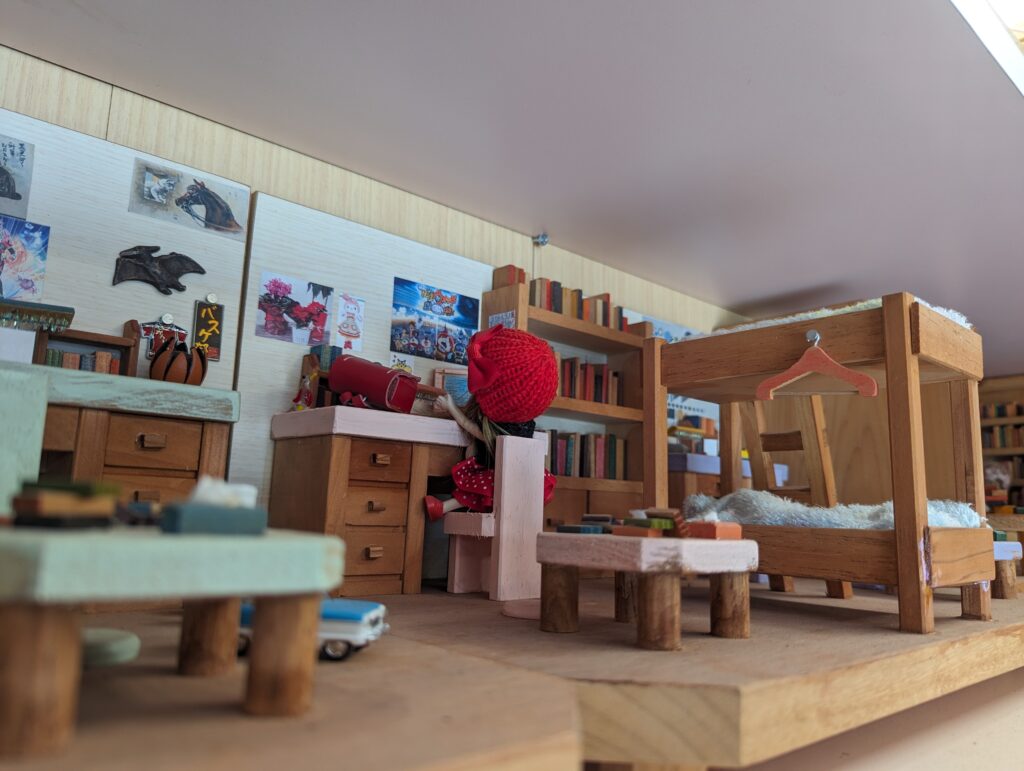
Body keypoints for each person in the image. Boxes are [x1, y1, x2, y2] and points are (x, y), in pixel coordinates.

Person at [424, 324, 558, 518]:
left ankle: (442, 508)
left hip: (494, 479)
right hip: (517, 490)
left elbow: (470, 427)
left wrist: (451, 407)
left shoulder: (498, 432)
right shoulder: (524, 427)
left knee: (479, 488)